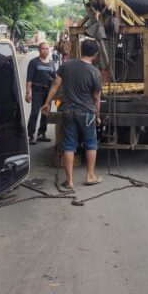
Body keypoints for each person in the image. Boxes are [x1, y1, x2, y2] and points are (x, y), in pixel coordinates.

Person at [42, 39, 103, 190]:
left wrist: (47, 102)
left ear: (81, 49)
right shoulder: (95, 72)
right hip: (87, 112)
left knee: (69, 145)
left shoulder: (66, 66)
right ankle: (90, 176)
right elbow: (96, 97)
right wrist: (98, 115)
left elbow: (55, 85)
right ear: (95, 54)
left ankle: (69, 181)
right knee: (91, 143)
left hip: (68, 111)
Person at [25, 42, 56, 145]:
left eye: (47, 49)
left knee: (45, 113)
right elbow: (29, 79)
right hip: (37, 90)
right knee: (34, 113)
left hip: (48, 92)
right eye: (43, 49)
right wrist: (28, 92)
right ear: (39, 50)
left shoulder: (52, 63)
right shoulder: (33, 62)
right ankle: (30, 135)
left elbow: (55, 79)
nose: (45, 50)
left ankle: (41, 134)